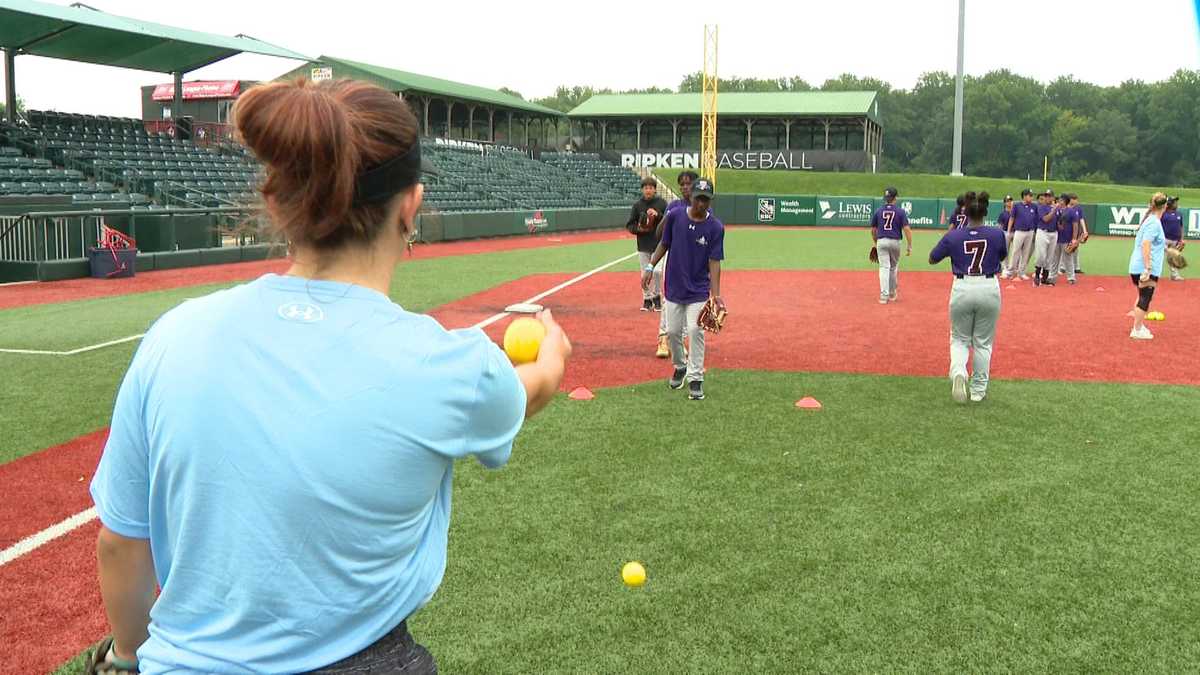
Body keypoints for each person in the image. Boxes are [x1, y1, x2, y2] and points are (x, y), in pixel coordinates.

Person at [88, 78, 572, 673]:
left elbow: (121, 541)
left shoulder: (172, 335)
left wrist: (126, 655)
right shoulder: (454, 366)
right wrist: (552, 354)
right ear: (412, 206)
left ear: (276, 204)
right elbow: (532, 389)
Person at [642, 176, 724, 401]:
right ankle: (680, 366)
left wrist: (716, 295)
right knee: (672, 332)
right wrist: (650, 266)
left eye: (706, 200)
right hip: (674, 287)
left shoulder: (715, 227)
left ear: (710, 201)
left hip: (698, 289)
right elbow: (664, 243)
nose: (701, 204)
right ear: (691, 198)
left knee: (696, 330)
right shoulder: (676, 216)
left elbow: (715, 262)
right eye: (698, 199)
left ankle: (695, 378)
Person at [929, 191, 1008, 403]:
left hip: (962, 286)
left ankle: (958, 372)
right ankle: (978, 390)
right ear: (985, 212)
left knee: (960, 339)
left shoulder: (954, 235)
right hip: (989, 285)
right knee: (983, 342)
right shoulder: (996, 233)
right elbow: (1002, 255)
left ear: (964, 212)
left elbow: (932, 258)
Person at [1128, 192, 1170, 339]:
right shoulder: (1154, 222)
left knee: (1142, 296)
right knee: (1146, 296)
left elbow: (1153, 243)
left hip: (1138, 265)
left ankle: (1139, 325)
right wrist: (1147, 267)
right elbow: (1146, 243)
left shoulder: (1150, 220)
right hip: (1144, 266)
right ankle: (1137, 329)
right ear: (1164, 206)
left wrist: (1168, 250)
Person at [628, 177, 667, 313]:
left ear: (655, 189)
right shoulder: (637, 206)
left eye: (651, 187)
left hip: (659, 244)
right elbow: (630, 224)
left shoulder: (662, 203)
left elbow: (668, 221)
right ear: (642, 189)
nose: (648, 190)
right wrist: (639, 229)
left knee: (656, 272)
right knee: (644, 273)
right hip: (643, 244)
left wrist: (658, 215)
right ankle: (647, 299)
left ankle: (656, 296)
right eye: (645, 188)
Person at [869, 186, 913, 303]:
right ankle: (892, 294)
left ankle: (884, 296)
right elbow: (907, 229)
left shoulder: (878, 211)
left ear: (885, 198)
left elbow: (873, 230)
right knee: (893, 268)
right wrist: (909, 245)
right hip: (895, 242)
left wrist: (876, 241)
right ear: (895, 198)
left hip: (881, 241)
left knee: (884, 268)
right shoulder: (900, 212)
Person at [1006, 188, 1039, 280]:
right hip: (1019, 231)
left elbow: (1036, 219)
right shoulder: (1017, 206)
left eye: (1032, 195)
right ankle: (1010, 271)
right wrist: (1009, 231)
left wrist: (1035, 231)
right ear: (1024, 196)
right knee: (1016, 251)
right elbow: (1012, 218)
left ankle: (1022, 272)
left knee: (1026, 252)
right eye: (1030, 195)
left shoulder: (1034, 206)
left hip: (1030, 231)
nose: (1032, 197)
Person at [1049, 193, 1081, 285]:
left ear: (1065, 201)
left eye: (1061, 200)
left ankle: (1071, 277)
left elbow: (1075, 225)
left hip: (1067, 238)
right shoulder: (1056, 210)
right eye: (1059, 200)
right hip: (1056, 238)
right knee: (1055, 259)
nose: (1059, 201)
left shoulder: (1071, 211)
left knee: (1068, 258)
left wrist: (1074, 238)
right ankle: (1052, 276)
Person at [1033, 188, 1062, 286]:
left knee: (1049, 257)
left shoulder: (1056, 208)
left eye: (1049, 196)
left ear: (1053, 197)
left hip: (1053, 233)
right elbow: (1046, 219)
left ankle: (1045, 278)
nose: (1047, 198)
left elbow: (1059, 223)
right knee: (1041, 255)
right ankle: (1037, 275)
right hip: (1043, 232)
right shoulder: (1041, 207)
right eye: (1046, 196)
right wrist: (1054, 210)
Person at [1161, 196, 1185, 281]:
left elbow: (1181, 227)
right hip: (1164, 240)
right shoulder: (1162, 213)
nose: (1176, 204)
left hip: (1175, 240)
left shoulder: (1179, 214)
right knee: (1157, 256)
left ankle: (1174, 275)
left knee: (1173, 258)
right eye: (1175, 202)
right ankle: (1149, 273)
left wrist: (1182, 239)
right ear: (1170, 204)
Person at [998, 195, 1015, 276]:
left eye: (1010, 200)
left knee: (1015, 251)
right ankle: (1005, 267)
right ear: (1004, 203)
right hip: (1005, 232)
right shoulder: (1002, 213)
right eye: (1007, 201)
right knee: (1006, 251)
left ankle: (1013, 268)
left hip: (1015, 232)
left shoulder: (1015, 212)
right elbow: (1000, 226)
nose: (1009, 202)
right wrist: (1000, 234)